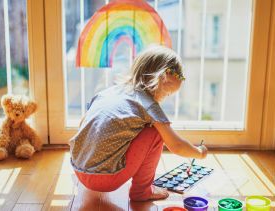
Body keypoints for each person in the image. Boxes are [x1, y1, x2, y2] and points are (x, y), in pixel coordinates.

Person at [69, 45, 208, 201]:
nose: (166, 97)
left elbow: (84, 122)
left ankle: (92, 169)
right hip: (104, 179)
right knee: (154, 133)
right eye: (167, 92)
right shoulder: (148, 105)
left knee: (137, 127)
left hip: (78, 168)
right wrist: (199, 153)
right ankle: (142, 192)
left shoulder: (109, 92)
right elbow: (176, 146)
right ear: (160, 79)